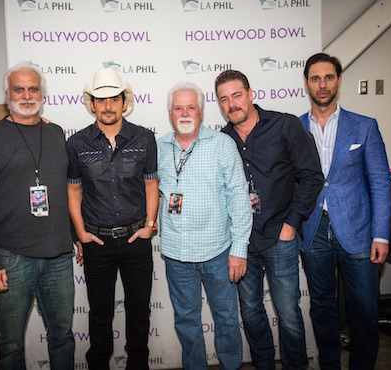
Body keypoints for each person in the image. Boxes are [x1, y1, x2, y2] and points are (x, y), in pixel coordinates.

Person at [0, 61, 76, 370]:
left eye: (33, 88)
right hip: (12, 260)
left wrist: (74, 235)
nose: (27, 95)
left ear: (42, 93)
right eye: (19, 89)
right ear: (7, 94)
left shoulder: (56, 134)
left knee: (63, 336)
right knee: (11, 345)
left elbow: (66, 190)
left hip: (58, 257)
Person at [215, 69, 323, 370]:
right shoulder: (222, 140)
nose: (231, 104)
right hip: (242, 242)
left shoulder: (285, 125)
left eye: (237, 95)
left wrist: (292, 223)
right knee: (250, 311)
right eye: (224, 99)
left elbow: (313, 177)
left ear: (251, 94)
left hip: (280, 236)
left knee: (288, 313)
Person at [299, 53, 391, 370]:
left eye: (328, 77)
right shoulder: (294, 128)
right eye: (315, 78)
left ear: (338, 80)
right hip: (313, 233)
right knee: (322, 308)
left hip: (358, 232)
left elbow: (380, 183)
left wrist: (381, 235)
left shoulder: (364, 127)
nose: (322, 84)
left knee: (364, 309)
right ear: (307, 83)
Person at [66, 67, 158, 369]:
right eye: (100, 99)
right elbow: (74, 192)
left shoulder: (144, 138)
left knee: (138, 313)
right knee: (100, 314)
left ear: (123, 102)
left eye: (113, 99)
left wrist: (148, 227)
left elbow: (151, 185)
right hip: (98, 243)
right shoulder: (77, 143)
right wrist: (80, 233)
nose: (107, 106)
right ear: (91, 104)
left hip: (136, 241)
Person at [157, 81, 252, 370]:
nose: (184, 113)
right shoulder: (159, 147)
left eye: (191, 107)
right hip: (176, 254)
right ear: (170, 113)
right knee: (186, 323)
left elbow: (239, 198)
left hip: (218, 253)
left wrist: (239, 249)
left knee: (225, 320)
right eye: (178, 108)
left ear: (201, 111)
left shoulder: (222, 145)